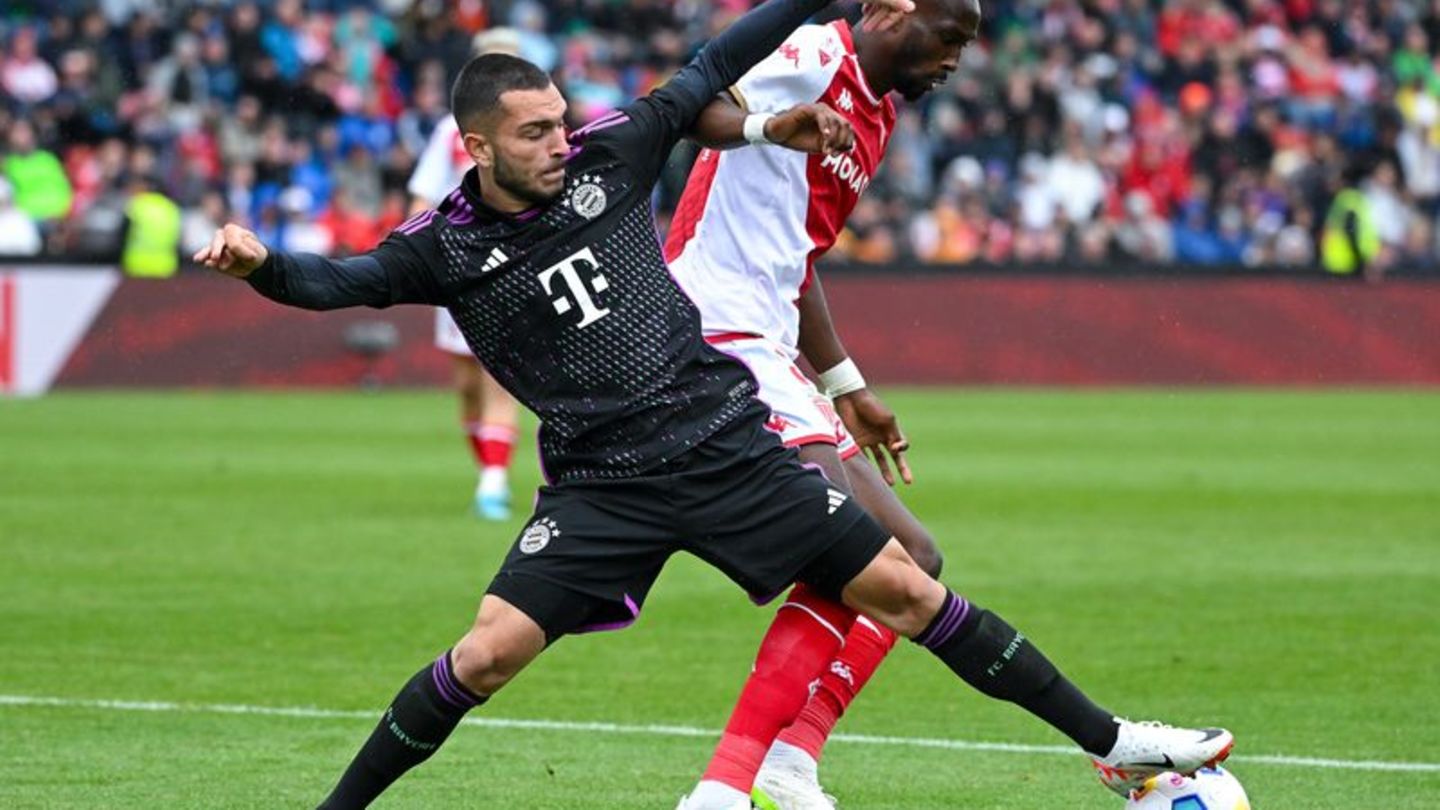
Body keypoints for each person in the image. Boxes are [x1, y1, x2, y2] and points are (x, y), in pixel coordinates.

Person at [195, 2, 1232, 807]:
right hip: (603, 485)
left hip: (725, 445)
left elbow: (705, 67)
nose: (562, 140)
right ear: (477, 147)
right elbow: (337, 281)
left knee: (911, 590)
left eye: (561, 120)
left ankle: (1113, 744)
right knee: (486, 655)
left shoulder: (612, 155)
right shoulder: (446, 248)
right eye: (535, 132)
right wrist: (259, 264)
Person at [666, 1, 968, 805]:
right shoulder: (810, 52)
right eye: (949, 37)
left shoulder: (877, 118)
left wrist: (846, 386)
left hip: (769, 341)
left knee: (916, 561)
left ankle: (791, 757)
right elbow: (691, 104)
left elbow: (798, 256)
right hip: (713, 323)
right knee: (850, 547)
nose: (955, 60)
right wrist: (769, 125)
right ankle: (724, 788)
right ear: (894, 12)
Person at [408, 28, 528, 521]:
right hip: (460, 268)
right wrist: (413, 248)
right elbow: (423, 195)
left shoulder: (535, 127)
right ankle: (488, 470)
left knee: (497, 377)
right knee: (466, 386)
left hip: (513, 269)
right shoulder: (449, 133)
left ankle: (493, 483)